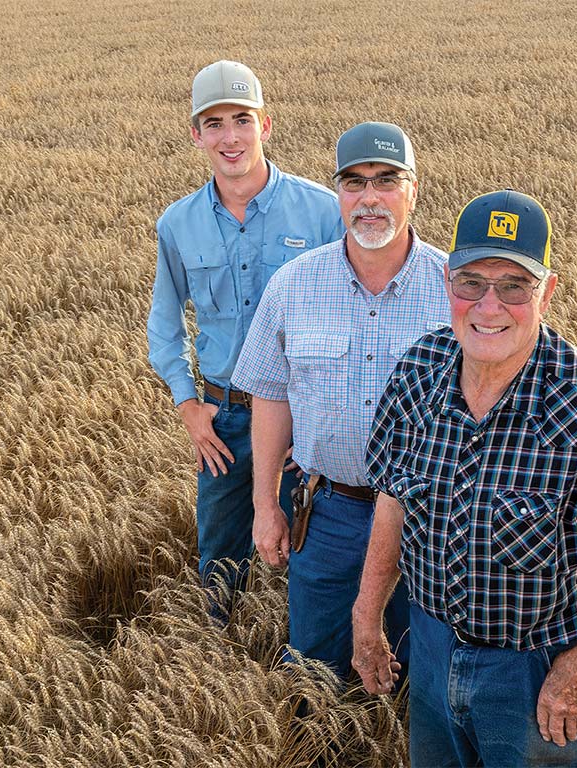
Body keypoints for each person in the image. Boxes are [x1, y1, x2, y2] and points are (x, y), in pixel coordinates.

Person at [351, 189, 577, 766]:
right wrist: (368, 613)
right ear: (448, 281)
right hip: (430, 644)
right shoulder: (417, 371)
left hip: (535, 678)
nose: (488, 305)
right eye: (472, 282)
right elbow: (394, 497)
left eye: (514, 286)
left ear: (548, 290)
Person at [230, 122, 451, 682]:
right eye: (354, 183)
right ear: (338, 194)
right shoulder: (294, 285)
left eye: (386, 181)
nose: (369, 198)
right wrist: (264, 507)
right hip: (327, 513)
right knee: (315, 669)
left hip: (431, 520)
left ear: (414, 190)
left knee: (421, 670)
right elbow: (271, 394)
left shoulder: (456, 288)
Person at [147, 60, 344, 621]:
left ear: (266, 124)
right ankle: (220, 665)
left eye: (242, 120)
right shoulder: (177, 224)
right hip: (226, 421)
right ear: (196, 134)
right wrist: (189, 405)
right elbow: (164, 325)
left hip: (306, 415)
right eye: (214, 124)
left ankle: (302, 665)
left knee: (310, 551)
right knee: (221, 563)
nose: (229, 138)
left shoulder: (323, 212)